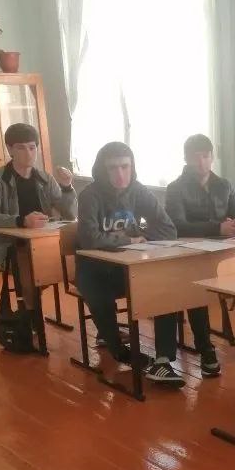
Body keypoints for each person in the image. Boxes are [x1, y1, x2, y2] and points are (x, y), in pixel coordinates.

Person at [76, 142, 185, 388]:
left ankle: (163, 360)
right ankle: (118, 349)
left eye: (125, 166)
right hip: (94, 270)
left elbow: (168, 229)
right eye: (113, 168)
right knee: (100, 295)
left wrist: (141, 235)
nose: (120, 174)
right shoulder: (90, 195)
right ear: (102, 170)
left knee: (164, 288)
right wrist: (130, 239)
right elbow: (89, 239)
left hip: (127, 268)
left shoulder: (138, 190)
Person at [165, 134, 235, 378]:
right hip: (190, 257)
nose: (201, 162)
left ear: (213, 157)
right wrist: (217, 228)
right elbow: (177, 225)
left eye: (205, 156)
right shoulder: (175, 188)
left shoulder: (224, 185)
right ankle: (206, 348)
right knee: (197, 290)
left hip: (222, 252)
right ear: (186, 159)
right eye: (195, 157)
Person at [0, 123, 76, 303]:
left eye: (32, 148)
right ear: (10, 149)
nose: (28, 153)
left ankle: (98, 307)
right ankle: (30, 312)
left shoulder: (45, 178)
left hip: (45, 241)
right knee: (28, 265)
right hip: (12, 245)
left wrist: (67, 188)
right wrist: (21, 221)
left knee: (78, 260)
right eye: (21, 148)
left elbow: (70, 215)